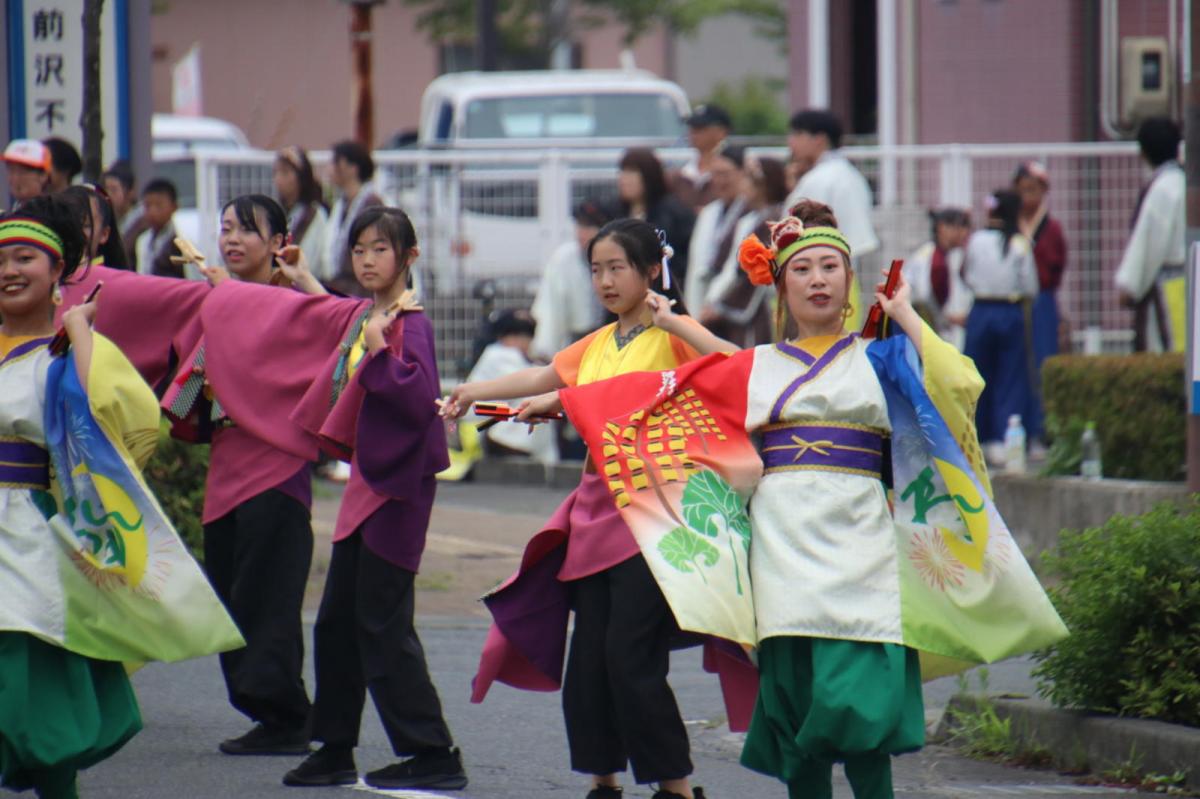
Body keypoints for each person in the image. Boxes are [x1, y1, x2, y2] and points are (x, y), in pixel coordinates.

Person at [165, 206, 467, 790]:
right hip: (365, 492)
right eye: (360, 250)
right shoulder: (369, 315)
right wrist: (304, 279)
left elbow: (419, 400)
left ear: (409, 258)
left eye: (381, 250)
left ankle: (433, 753)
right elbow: (327, 310)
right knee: (335, 625)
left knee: (381, 625)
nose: (368, 260)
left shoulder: (409, 322)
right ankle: (334, 748)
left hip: (396, 496)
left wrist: (379, 352)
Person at [444, 219, 738, 799]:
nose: (604, 280)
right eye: (596, 269)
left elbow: (733, 362)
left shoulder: (672, 334)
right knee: (590, 665)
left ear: (652, 270)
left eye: (617, 268)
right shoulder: (600, 342)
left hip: (653, 514)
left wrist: (676, 319)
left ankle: (676, 789)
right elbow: (545, 374)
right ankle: (604, 782)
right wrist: (474, 392)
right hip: (596, 513)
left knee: (631, 657)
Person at [0, 195, 242, 799]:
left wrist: (78, 333)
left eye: (25, 257)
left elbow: (103, 429)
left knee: (34, 677)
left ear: (57, 271)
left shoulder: (65, 354)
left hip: (28, 530)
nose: (9, 270)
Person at [166, 195, 316, 756]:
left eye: (248, 230)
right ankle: (266, 711)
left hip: (276, 469)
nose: (232, 239)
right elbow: (186, 393)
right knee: (229, 597)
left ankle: (288, 717)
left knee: (267, 599)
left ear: (279, 244)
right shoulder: (219, 304)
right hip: (227, 467)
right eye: (226, 228)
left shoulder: (297, 305)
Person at [961, 190, 1039, 463]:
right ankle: (1005, 440)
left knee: (976, 376)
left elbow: (966, 274)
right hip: (1010, 311)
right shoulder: (1020, 243)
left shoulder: (976, 240)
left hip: (981, 310)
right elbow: (1031, 285)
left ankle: (977, 439)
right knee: (1010, 376)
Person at [783, 109, 879, 327]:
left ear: (819, 139)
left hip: (818, 284)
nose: (791, 143)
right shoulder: (848, 175)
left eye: (797, 135)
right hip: (840, 278)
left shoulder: (821, 179)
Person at [698, 154, 788, 348]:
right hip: (732, 304)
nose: (743, 183)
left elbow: (756, 272)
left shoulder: (775, 221)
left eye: (748, 178)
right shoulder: (749, 219)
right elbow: (729, 265)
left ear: (763, 185)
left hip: (760, 310)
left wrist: (722, 306)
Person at [1115, 116, 1186, 352]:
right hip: (1188, 276)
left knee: (1168, 355)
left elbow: (1148, 245)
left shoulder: (1163, 189)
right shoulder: (1186, 183)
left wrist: (1130, 285)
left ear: (1143, 152)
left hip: (1171, 286)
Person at [466, 309, 557, 463]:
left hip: (494, 424)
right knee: (534, 400)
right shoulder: (499, 355)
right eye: (516, 335)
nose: (523, 341)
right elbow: (529, 385)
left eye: (527, 336)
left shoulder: (525, 358)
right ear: (503, 336)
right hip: (487, 427)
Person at [531, 199, 611, 361]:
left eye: (589, 227)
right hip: (577, 339)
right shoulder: (564, 258)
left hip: (611, 334)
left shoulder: (616, 256)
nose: (582, 233)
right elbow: (552, 309)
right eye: (580, 226)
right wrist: (546, 350)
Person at [1013, 161, 1067, 366]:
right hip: (1014, 302)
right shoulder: (1012, 228)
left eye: (1032, 189)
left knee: (1043, 358)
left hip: (1042, 300)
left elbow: (1057, 269)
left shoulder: (1052, 228)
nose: (1026, 195)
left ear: (1044, 190)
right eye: (1021, 190)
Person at [616, 148, 695, 283]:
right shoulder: (615, 213)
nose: (624, 179)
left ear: (649, 176)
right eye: (623, 171)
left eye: (632, 172)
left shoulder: (674, 214)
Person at [684, 145, 747, 313]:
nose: (720, 181)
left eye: (725, 174)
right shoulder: (709, 213)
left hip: (734, 305)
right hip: (704, 301)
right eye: (715, 175)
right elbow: (695, 266)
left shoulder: (750, 212)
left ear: (742, 173)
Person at [902, 207, 971, 350]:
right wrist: (950, 318)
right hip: (926, 332)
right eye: (960, 226)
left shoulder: (944, 255)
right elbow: (922, 300)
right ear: (942, 228)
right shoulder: (933, 259)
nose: (965, 233)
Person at [323, 140, 383, 294]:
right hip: (344, 285)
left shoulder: (371, 203)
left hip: (362, 288)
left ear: (351, 168)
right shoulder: (342, 204)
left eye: (334, 163)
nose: (329, 169)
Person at [274, 146, 329, 280]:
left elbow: (316, 260)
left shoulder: (316, 214)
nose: (278, 179)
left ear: (301, 177)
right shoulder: (277, 212)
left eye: (285, 173)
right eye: (275, 173)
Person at [672, 104, 733, 210]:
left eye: (700, 128)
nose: (692, 133)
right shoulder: (683, 173)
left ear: (721, 132)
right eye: (691, 128)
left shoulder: (733, 168)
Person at [62, 184, 131, 270]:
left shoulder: (116, 281)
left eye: (85, 225)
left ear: (104, 234)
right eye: (68, 223)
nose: (75, 231)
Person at [134, 179, 185, 278]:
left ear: (174, 207)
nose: (152, 212)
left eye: (158, 206)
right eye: (147, 206)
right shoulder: (142, 240)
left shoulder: (183, 239)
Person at [102, 160, 147, 264]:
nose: (107, 195)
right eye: (106, 189)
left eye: (113, 190)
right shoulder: (109, 219)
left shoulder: (142, 222)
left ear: (130, 192)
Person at [2, 140, 51, 208]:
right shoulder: (9, 214)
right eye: (11, 170)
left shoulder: (57, 214)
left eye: (22, 172)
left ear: (43, 175)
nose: (15, 178)